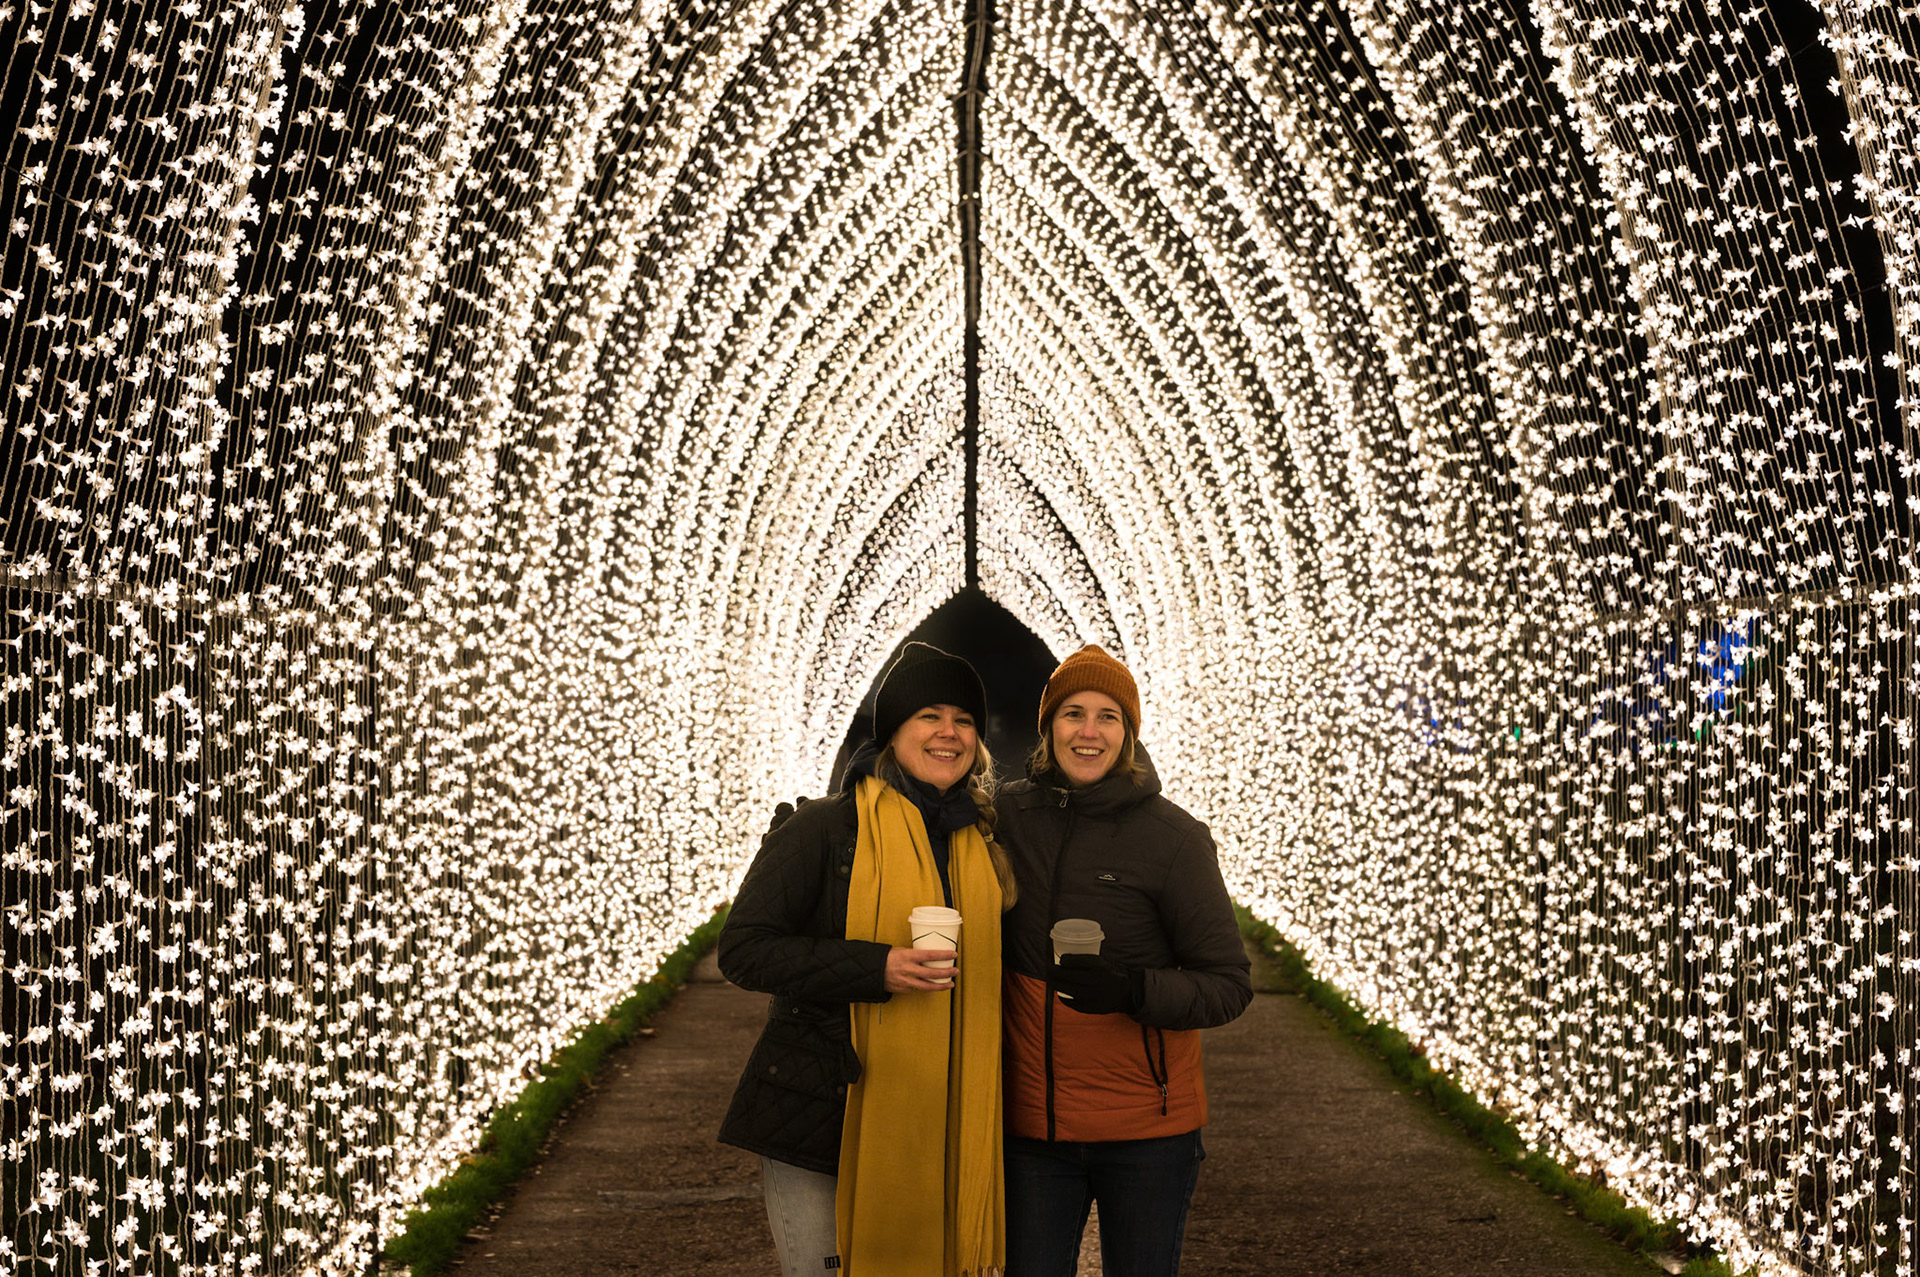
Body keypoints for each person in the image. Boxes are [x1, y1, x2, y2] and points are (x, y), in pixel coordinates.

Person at [718, 641, 1017, 1277]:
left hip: (947, 1117)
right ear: (893, 733)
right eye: (928, 716)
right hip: (824, 1107)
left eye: (964, 720)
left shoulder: (983, 844)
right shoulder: (825, 828)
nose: (948, 732)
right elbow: (744, 950)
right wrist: (874, 967)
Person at [996, 644, 1252, 1277]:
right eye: (1073, 713)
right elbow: (928, 818)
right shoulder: (1006, 818)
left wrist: (1134, 990)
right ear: (1048, 726)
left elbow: (1227, 985)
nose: (1089, 732)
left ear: (1129, 733)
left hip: (1148, 1133)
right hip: (1033, 1131)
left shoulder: (1175, 839)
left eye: (1108, 716)